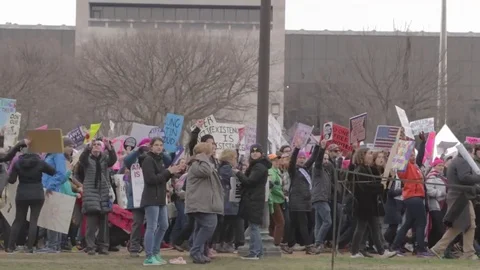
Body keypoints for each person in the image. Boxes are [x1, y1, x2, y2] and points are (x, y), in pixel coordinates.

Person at [431, 143, 480, 260]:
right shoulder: (462, 161)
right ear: (469, 152)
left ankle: (439, 248)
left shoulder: (457, 161)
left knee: (461, 225)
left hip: (458, 196)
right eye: (472, 152)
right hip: (460, 197)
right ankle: (468, 253)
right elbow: (465, 177)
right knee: (469, 224)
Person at [6, 139, 56, 253]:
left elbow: (12, 180)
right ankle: (29, 247)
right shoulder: (40, 162)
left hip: (22, 193)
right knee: (34, 220)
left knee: (18, 220)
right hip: (37, 193)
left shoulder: (18, 163)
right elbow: (53, 171)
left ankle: (10, 246)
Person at [141, 137, 183, 266]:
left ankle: (155, 252)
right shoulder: (148, 160)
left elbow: (162, 178)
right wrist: (167, 172)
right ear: (151, 146)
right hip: (151, 198)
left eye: (161, 145)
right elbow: (151, 179)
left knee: (164, 225)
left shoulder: (160, 160)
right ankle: (148, 256)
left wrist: (172, 172)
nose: (159, 147)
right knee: (152, 227)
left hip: (160, 198)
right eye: (156, 145)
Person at [349, 148, 396, 259]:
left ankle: (381, 251)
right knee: (361, 228)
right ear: (363, 155)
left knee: (375, 228)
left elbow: (376, 181)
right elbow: (364, 187)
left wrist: (385, 179)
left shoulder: (368, 168)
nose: (372, 155)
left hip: (370, 204)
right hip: (363, 204)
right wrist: (380, 187)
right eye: (369, 153)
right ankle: (354, 252)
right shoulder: (360, 169)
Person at [185, 142, 224, 264]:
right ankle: (196, 251)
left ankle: (199, 253)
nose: (213, 151)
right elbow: (206, 172)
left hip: (205, 203)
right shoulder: (197, 165)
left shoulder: (202, 164)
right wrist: (202, 158)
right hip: (200, 203)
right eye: (210, 150)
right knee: (209, 225)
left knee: (201, 227)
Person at [78, 138, 117, 255]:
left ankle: (103, 246)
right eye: (94, 145)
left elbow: (113, 160)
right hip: (91, 193)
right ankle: (90, 246)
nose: (96, 147)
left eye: (98, 145)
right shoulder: (87, 160)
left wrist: (110, 148)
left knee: (104, 223)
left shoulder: (105, 159)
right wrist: (87, 147)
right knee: (91, 223)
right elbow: (82, 159)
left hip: (103, 193)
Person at [234, 144, 272, 260]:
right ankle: (258, 252)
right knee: (254, 226)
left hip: (254, 199)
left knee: (254, 227)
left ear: (261, 153)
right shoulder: (258, 165)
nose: (254, 153)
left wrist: (238, 173)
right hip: (254, 199)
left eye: (257, 151)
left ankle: (254, 252)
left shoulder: (259, 167)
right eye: (252, 151)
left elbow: (250, 182)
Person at [37, 137, 73, 253]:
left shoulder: (57, 154)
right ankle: (54, 245)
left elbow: (61, 173)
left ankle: (52, 245)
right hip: (48, 188)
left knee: (51, 217)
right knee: (52, 216)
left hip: (50, 189)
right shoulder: (50, 155)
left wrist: (50, 186)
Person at [288, 140, 319, 255]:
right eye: (300, 158)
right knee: (303, 224)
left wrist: (318, 146)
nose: (302, 159)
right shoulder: (293, 170)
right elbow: (291, 162)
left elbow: (314, 158)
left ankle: (289, 244)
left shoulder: (306, 168)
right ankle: (308, 246)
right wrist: (296, 149)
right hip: (297, 201)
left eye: (303, 158)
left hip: (306, 201)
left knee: (295, 224)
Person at [311, 139, 332, 252]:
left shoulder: (326, 171)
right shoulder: (317, 168)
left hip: (322, 198)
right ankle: (318, 243)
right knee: (327, 221)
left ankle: (317, 244)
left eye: (327, 159)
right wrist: (322, 149)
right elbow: (318, 160)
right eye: (324, 158)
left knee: (319, 223)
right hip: (319, 198)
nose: (326, 160)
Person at [425, 158, 447, 248]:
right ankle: (432, 246)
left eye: (442, 165)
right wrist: (442, 194)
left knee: (437, 227)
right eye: (439, 165)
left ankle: (432, 246)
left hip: (441, 204)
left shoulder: (441, 177)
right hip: (434, 204)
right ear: (434, 166)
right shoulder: (431, 176)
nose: (441, 167)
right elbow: (429, 190)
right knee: (438, 227)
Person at [267, 153, 285, 248]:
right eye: (274, 160)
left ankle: (273, 241)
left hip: (277, 200)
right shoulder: (270, 171)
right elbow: (272, 186)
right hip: (273, 199)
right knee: (280, 222)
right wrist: (282, 194)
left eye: (277, 160)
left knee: (273, 222)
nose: (277, 162)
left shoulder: (277, 171)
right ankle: (276, 243)